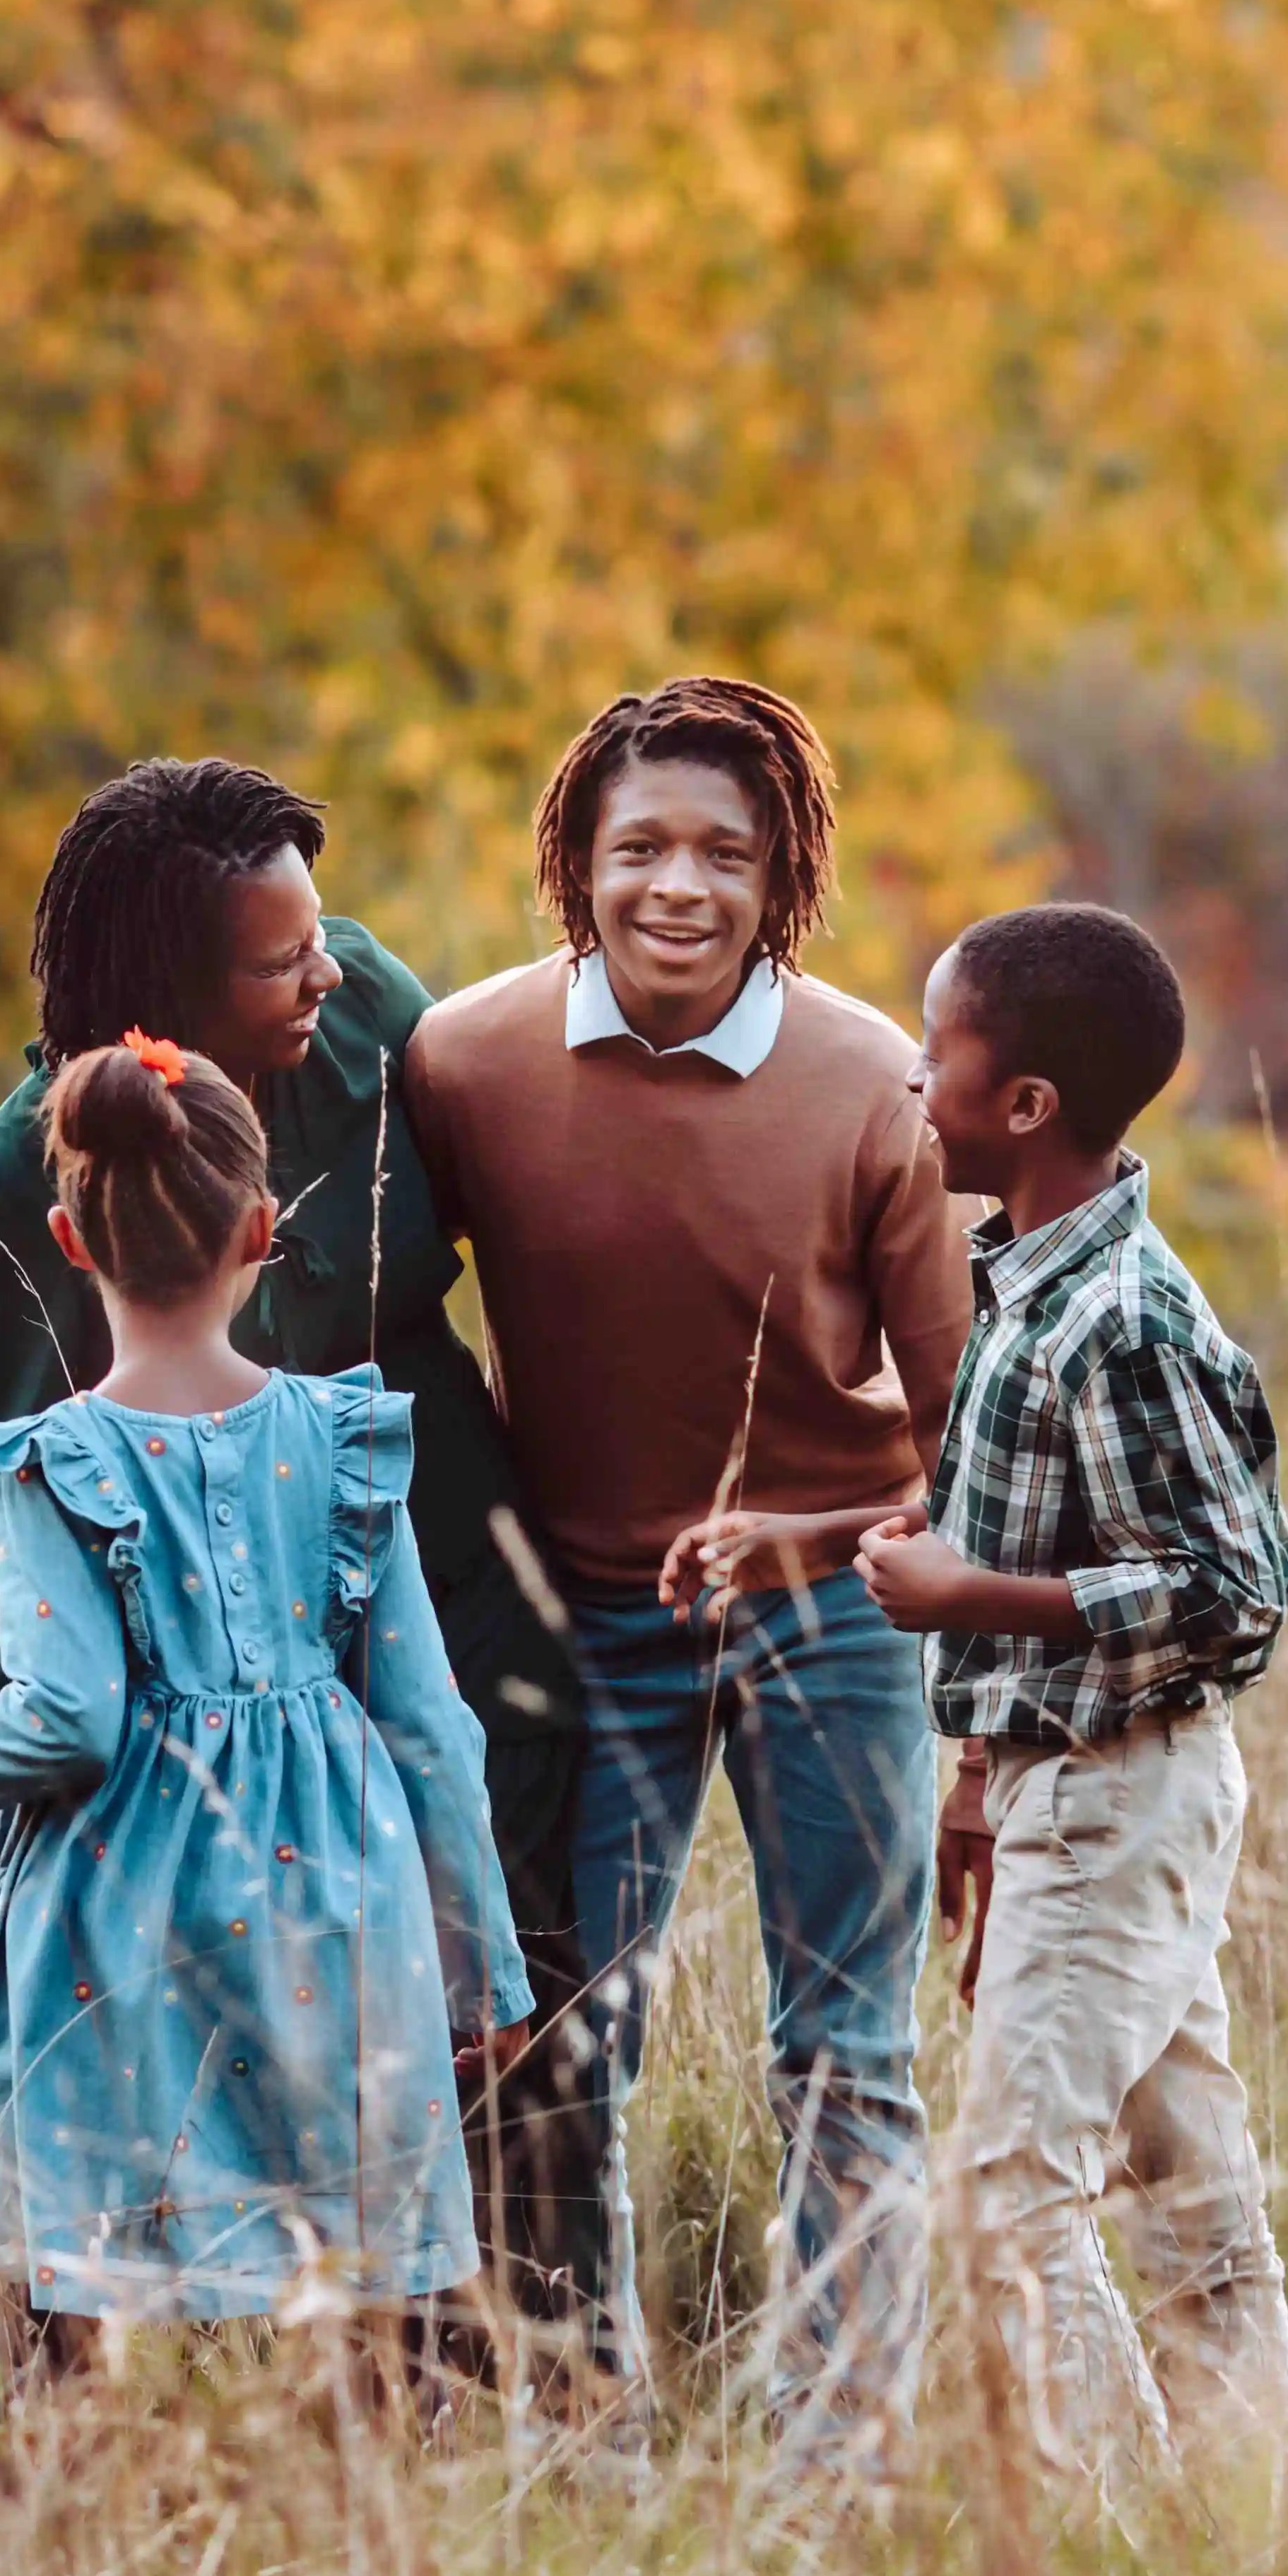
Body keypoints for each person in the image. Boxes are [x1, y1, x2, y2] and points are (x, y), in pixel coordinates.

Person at [0, 753, 602, 2323]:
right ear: (165, 990)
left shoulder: (365, 1017)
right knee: (209, 2035)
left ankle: (521, 2357)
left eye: (318, 935)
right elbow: (13, 1561)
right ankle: (137, 2354)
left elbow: (518, 1229)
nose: (324, 967)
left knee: (507, 1976)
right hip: (203, 1707)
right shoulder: (16, 1192)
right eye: (276, 957)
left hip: (447, 1592)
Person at [403, 676, 978, 2466]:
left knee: (843, 2050)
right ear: (573, 861)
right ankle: (585, 2431)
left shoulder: (877, 1083)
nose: (677, 887)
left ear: (783, 875)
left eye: (724, 855)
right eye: (637, 845)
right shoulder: (464, 1064)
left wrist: (913, 1641)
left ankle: (845, 2451)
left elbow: (966, 1424)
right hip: (586, 1623)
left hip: (836, 1610)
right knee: (568, 2046)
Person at [704, 901, 1288, 2475]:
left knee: (1011, 2200)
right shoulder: (1022, 1281)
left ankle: (1112, 2540)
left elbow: (1234, 1590)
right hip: (1056, 1784)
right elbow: (1007, 1517)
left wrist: (974, 1598)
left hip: (1122, 1793)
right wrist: (838, 1561)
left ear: (1022, 1107)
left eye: (935, 1052)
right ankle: (1252, 2530)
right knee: (1184, 2183)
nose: (909, 1078)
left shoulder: (1121, 1318)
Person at [0, 1028, 531, 2340]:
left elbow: (64, 1718)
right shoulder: (347, 1443)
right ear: (264, 1229)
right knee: (353, 2264)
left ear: (70, 1236)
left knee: (79, 2273)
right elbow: (433, 1730)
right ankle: (365, 2520)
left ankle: (74, 2508)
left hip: (120, 1919)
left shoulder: (53, 1464)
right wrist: (484, 1973)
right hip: (343, 1909)